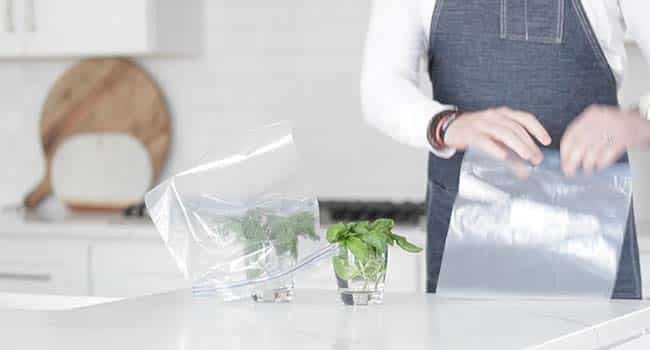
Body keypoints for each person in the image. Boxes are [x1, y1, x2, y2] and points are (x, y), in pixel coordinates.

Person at [361, 0, 650, 299]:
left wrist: (636, 121)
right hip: (465, 234)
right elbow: (381, 88)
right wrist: (446, 125)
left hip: (595, 238)